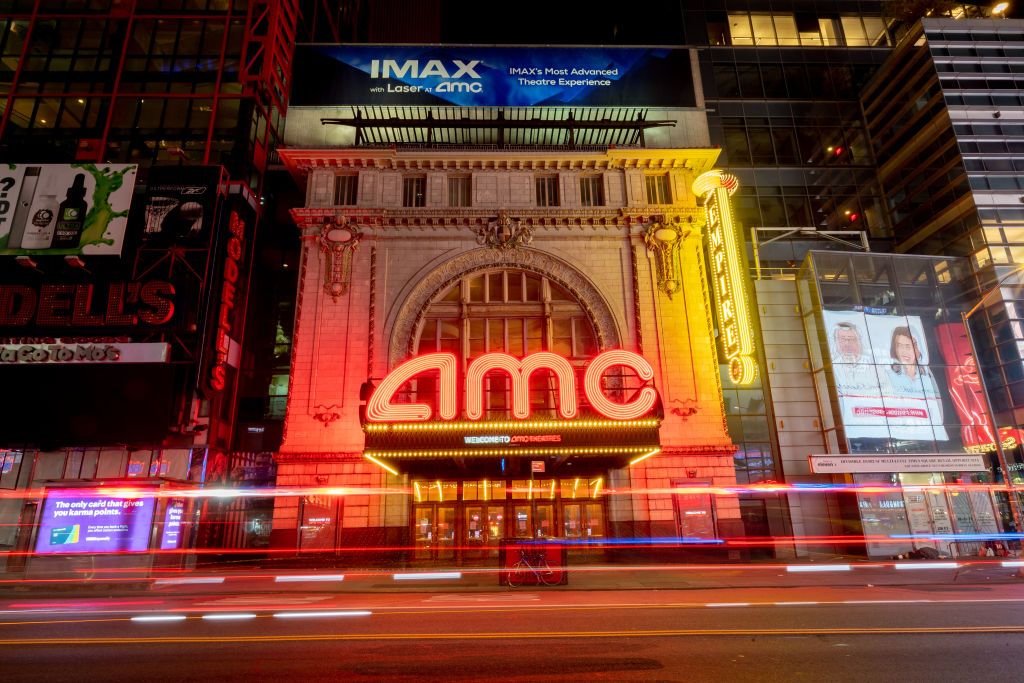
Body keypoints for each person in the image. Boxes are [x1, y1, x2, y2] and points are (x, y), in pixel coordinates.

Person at [883, 326, 943, 423]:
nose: (904, 351)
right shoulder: (887, 375)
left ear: (918, 348)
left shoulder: (929, 375)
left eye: (909, 346)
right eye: (899, 346)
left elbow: (939, 409)